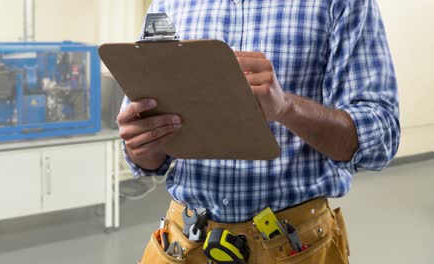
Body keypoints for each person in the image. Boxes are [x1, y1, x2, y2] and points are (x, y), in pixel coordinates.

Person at [117, 0, 400, 263]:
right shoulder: (169, 3)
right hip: (182, 244)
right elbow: (144, 157)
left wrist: (287, 108)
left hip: (295, 248)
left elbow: (381, 136)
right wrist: (141, 143)